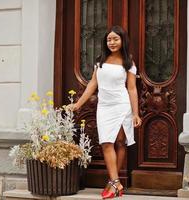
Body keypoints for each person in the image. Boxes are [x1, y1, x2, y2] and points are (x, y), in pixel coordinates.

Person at [69, 25, 142, 199]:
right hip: (104, 107)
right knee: (106, 143)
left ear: (122, 40)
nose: (112, 42)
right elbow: (92, 84)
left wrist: (135, 113)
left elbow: (132, 89)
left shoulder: (128, 62)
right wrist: (77, 104)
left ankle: (114, 183)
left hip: (122, 105)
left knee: (120, 142)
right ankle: (116, 182)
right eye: (109, 39)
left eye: (115, 39)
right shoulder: (100, 60)